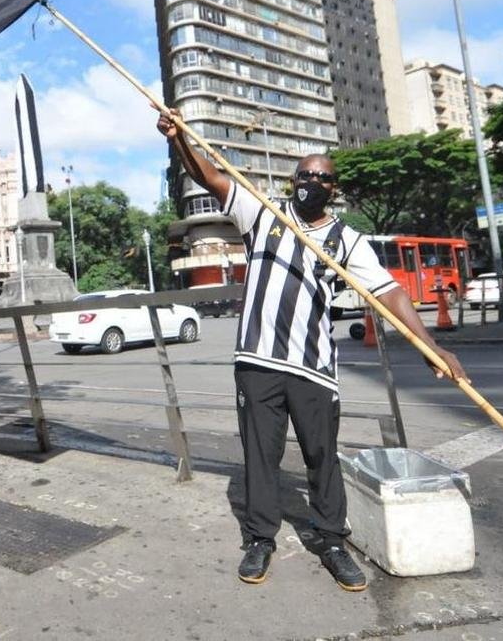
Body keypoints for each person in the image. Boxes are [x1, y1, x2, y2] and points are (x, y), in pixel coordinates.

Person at [157, 110, 468, 592]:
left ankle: (331, 540)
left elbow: (389, 293)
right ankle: (260, 538)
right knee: (260, 456)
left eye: (322, 177)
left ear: (334, 189)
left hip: (313, 368)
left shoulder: (347, 240)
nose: (312, 182)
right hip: (258, 362)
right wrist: (179, 141)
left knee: (322, 457)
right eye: (305, 175)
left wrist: (429, 346)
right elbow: (209, 175)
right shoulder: (262, 212)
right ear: (292, 179)